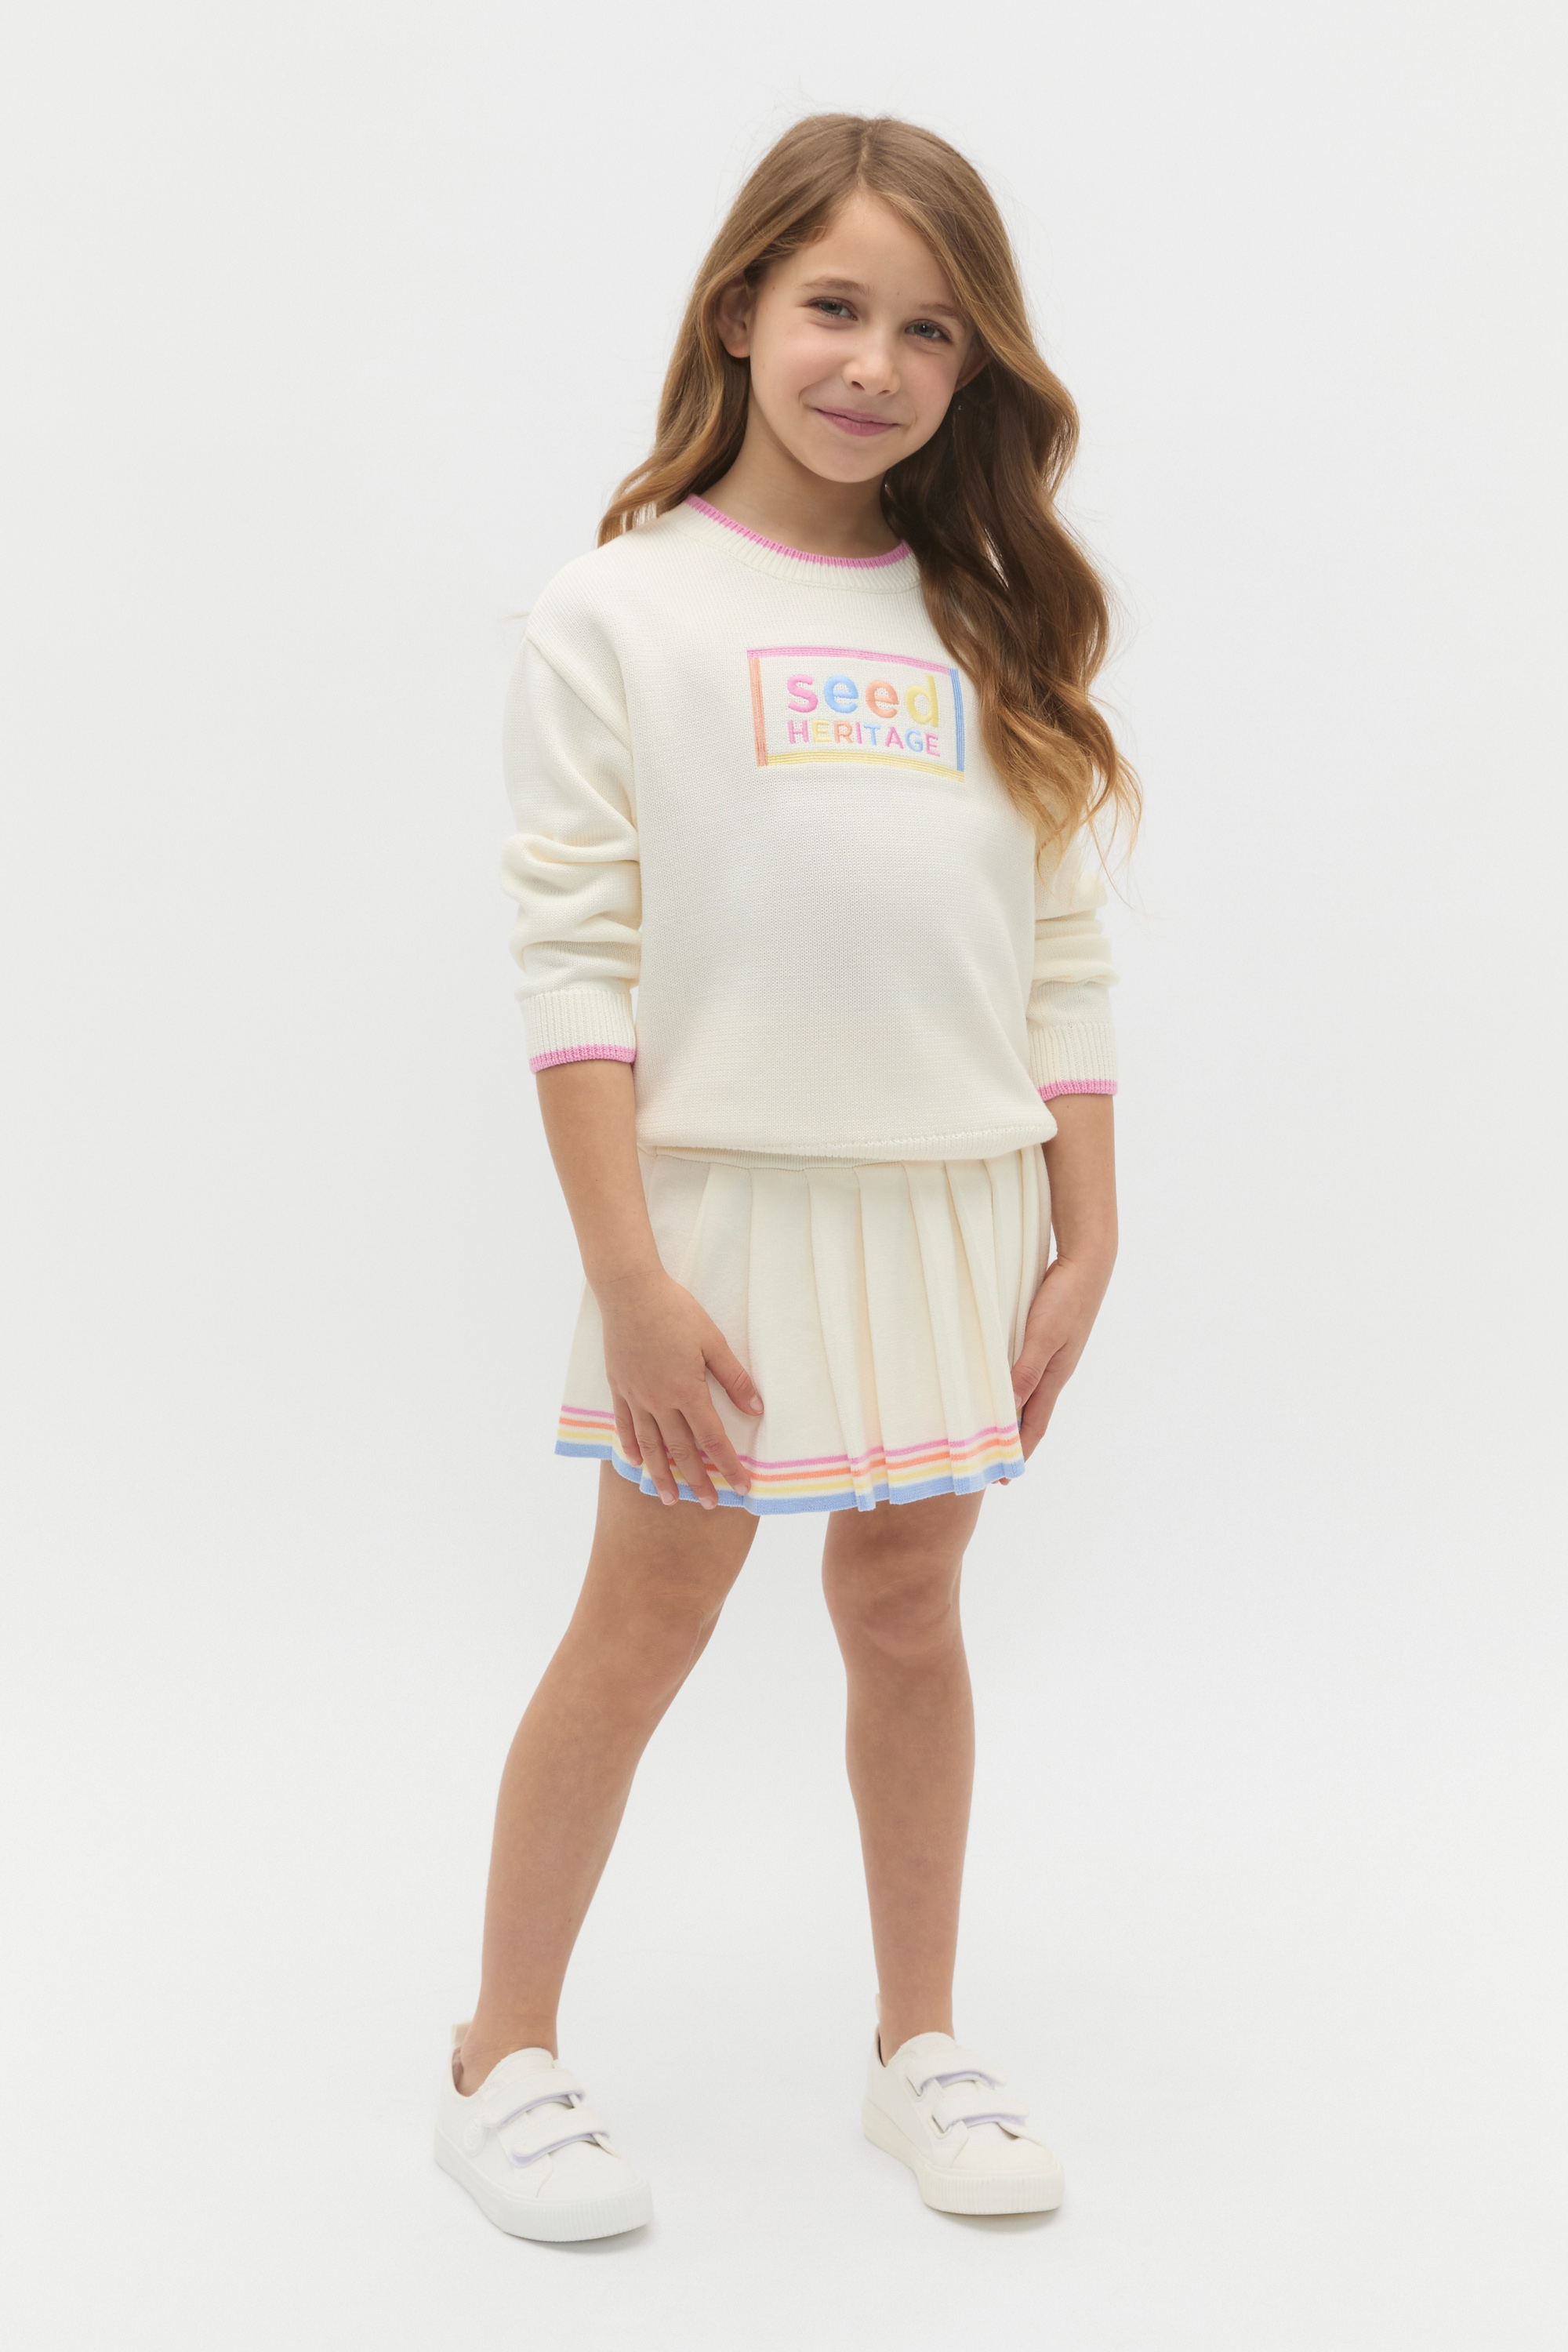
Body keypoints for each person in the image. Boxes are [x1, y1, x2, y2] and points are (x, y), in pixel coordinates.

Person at [434, 111, 1137, 2241]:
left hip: (952, 1205)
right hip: (716, 1218)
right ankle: (502, 2050)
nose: (877, 364)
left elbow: (1061, 950)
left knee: (910, 1613)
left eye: (933, 331)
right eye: (836, 306)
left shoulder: (989, 623)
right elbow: (575, 962)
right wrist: (631, 1277)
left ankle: (919, 2042)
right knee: (645, 1619)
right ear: (740, 311)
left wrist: (1090, 1225)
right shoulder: (618, 611)